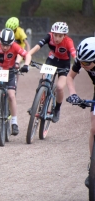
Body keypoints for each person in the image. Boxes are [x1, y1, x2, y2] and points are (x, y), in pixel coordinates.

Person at [0, 28, 32, 136]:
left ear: (12, 43)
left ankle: (14, 122)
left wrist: (26, 65)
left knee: (11, 95)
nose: (5, 47)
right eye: (3, 44)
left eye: (7, 45)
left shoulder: (15, 46)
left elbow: (27, 55)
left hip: (10, 71)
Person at [29, 22, 76, 123]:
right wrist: (28, 54)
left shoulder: (68, 41)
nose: (57, 38)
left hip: (64, 64)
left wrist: (78, 64)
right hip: (52, 59)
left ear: (64, 35)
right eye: (55, 35)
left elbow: (74, 54)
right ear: (52, 33)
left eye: (60, 36)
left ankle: (57, 109)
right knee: (44, 80)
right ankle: (36, 104)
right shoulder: (49, 37)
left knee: (59, 87)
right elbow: (38, 46)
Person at [66, 37, 95, 188]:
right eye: (81, 62)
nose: (83, 66)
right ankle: (93, 165)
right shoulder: (82, 60)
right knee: (94, 128)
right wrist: (73, 94)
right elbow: (70, 77)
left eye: (87, 64)